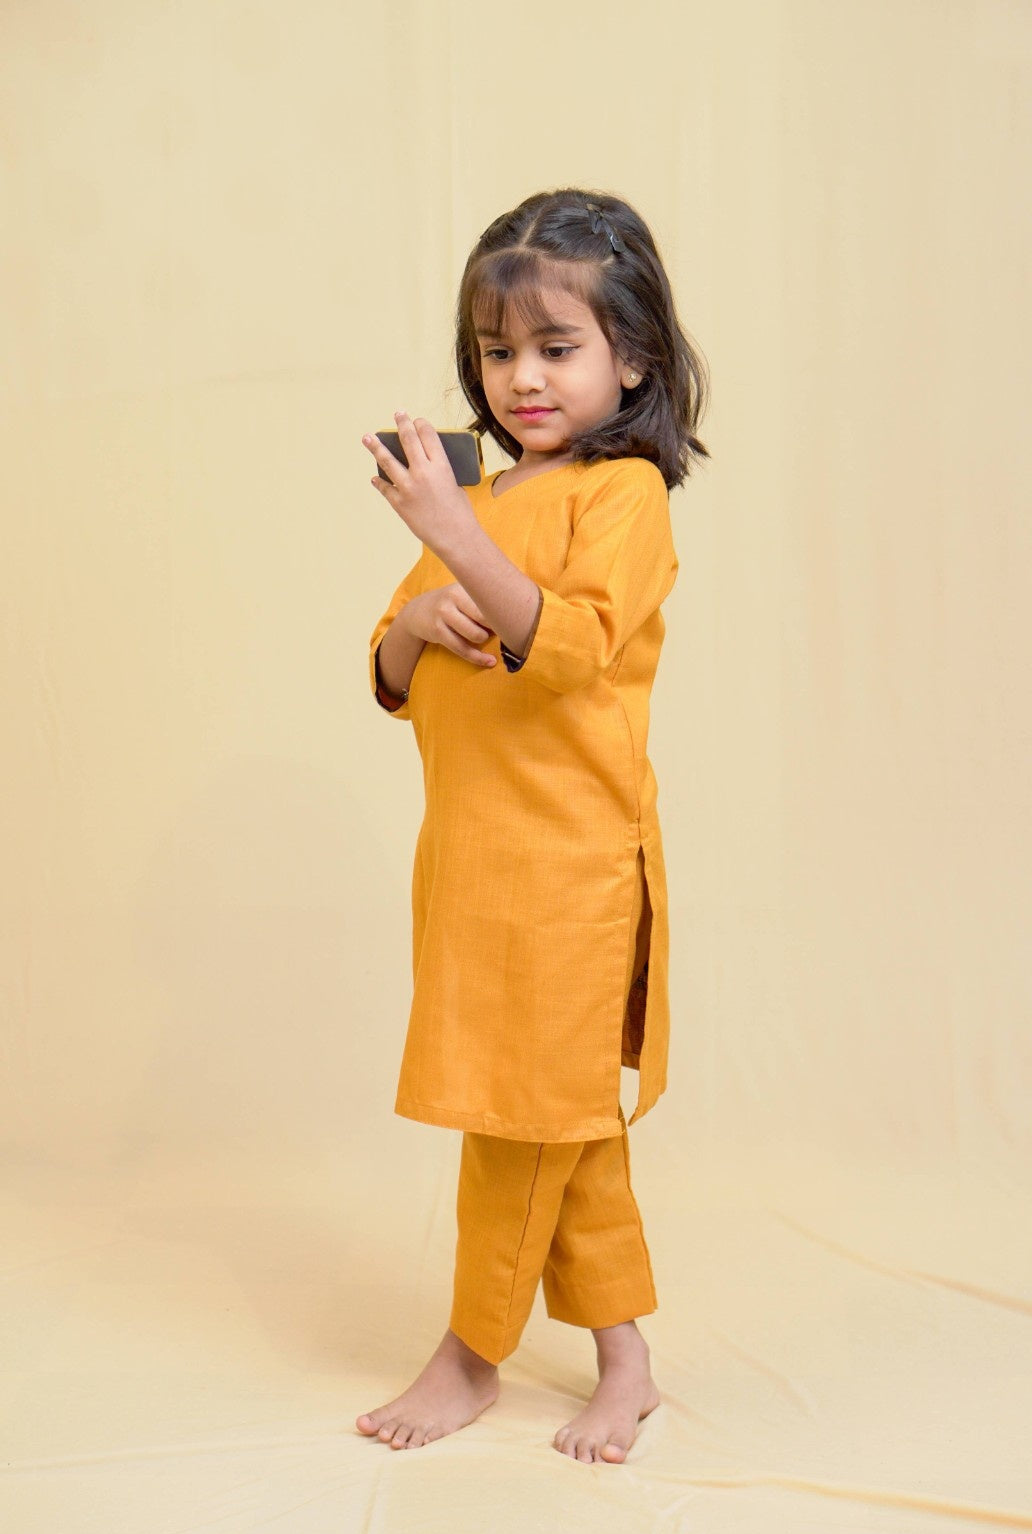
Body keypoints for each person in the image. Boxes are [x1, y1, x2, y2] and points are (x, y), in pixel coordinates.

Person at [356, 187, 708, 1465]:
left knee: (518, 1118)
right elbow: (389, 669)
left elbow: (565, 651)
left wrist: (454, 538)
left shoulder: (623, 498)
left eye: (556, 347)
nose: (522, 379)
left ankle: (470, 1352)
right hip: (471, 865)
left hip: (568, 873)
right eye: (497, 351)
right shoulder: (484, 497)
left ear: (634, 357)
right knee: (562, 1120)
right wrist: (416, 614)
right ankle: (626, 1361)